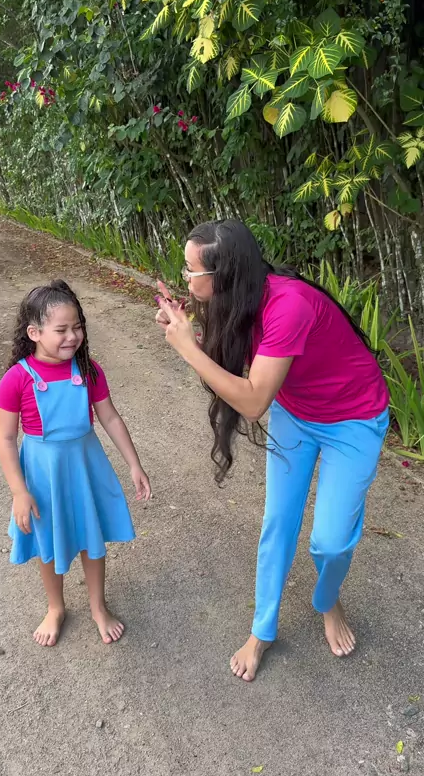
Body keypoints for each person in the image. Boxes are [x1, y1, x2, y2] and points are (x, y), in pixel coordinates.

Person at [155, 220, 389, 682]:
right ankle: (262, 629)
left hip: (354, 418)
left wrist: (186, 349)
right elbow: (238, 368)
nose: (185, 278)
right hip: (297, 412)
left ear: (222, 274)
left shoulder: (289, 305)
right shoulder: (237, 299)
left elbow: (253, 400)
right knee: (278, 522)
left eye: (190, 271)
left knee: (331, 541)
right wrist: (191, 334)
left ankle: (327, 601)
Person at [0, 279, 150, 648]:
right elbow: (5, 439)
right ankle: (55, 607)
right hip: (43, 475)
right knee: (49, 540)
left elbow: (110, 418)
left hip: (85, 467)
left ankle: (98, 606)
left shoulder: (89, 369)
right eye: (61, 329)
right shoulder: (16, 379)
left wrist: (134, 464)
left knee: (90, 537)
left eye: (77, 327)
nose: (72, 337)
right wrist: (19, 492)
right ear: (34, 333)